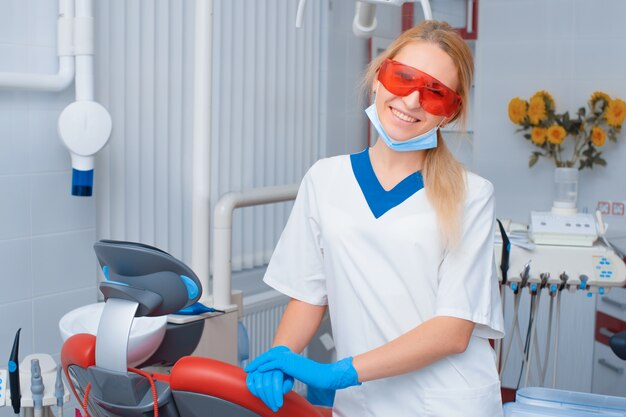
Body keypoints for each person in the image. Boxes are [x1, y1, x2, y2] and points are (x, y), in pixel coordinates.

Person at [244, 20, 504, 417]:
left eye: (435, 93)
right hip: (362, 403)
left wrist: (339, 373)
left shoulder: (471, 195)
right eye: (403, 78)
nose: (413, 100)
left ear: (450, 113)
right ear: (379, 78)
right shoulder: (325, 178)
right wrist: (281, 357)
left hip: (446, 402)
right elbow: (308, 293)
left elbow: (453, 331)